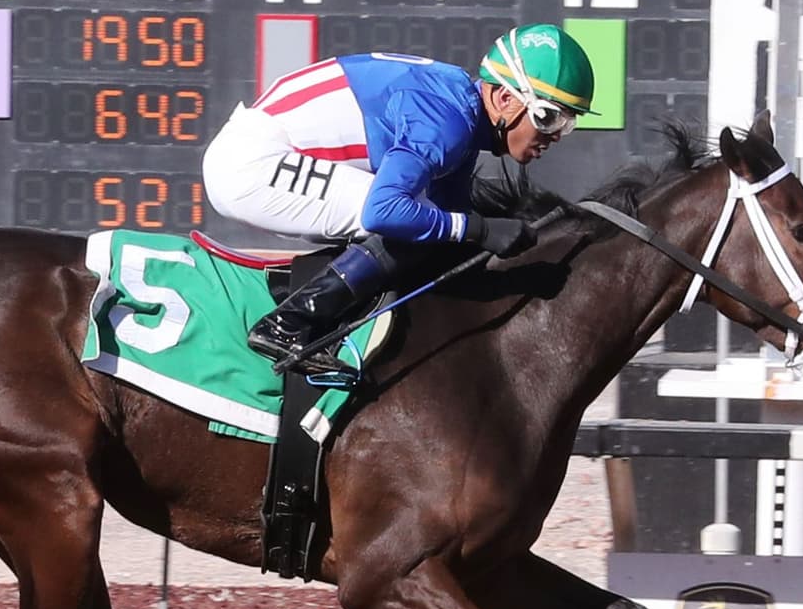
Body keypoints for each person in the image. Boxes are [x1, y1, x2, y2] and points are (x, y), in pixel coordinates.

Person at [201, 24, 596, 370]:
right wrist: (477, 228)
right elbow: (384, 212)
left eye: (568, 123)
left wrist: (482, 234)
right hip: (250, 165)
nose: (555, 136)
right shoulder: (449, 123)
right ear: (504, 99)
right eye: (548, 117)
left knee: (431, 227)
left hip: (259, 153)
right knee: (408, 221)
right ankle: (288, 324)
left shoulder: (462, 110)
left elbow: (450, 215)